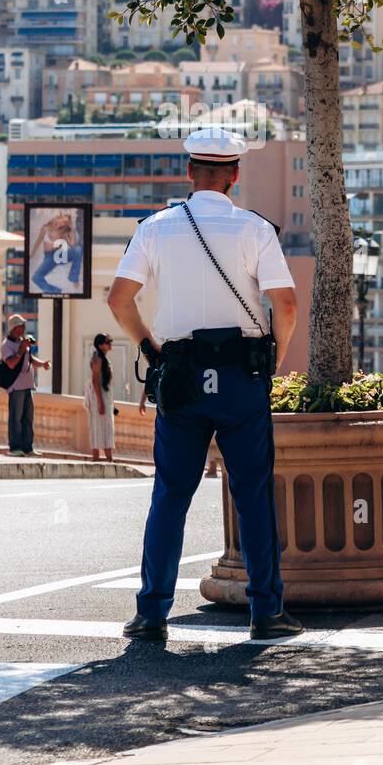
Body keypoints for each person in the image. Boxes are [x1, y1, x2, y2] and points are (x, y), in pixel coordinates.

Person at [108, 125, 301, 643]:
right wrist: (273, 361)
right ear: (234, 176)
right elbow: (284, 305)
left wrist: (152, 351)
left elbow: (119, 300)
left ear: (190, 172)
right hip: (243, 376)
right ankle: (266, 612)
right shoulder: (255, 230)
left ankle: (151, 613)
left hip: (182, 378)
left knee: (170, 496)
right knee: (253, 494)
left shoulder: (155, 228)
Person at [1, 314, 50, 455]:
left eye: (24, 326)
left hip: (28, 386)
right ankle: (15, 448)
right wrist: (22, 349)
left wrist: (43, 364)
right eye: (20, 326)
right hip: (16, 387)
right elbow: (11, 363)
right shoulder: (7, 345)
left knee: (28, 418)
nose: (23, 328)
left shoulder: (23, 342)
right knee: (16, 419)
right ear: (13, 328)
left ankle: (28, 447)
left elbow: (30, 359)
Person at [30, 210, 83, 294]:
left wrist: (71, 230)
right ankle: (57, 291)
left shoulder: (65, 231)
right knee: (36, 278)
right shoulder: (45, 228)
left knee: (78, 249)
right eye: (62, 220)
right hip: (50, 257)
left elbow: (73, 245)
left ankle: (73, 277)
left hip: (60, 255)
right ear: (58, 218)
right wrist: (32, 253)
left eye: (65, 223)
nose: (62, 224)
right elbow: (38, 241)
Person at [85, 332, 115, 462]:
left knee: (106, 426)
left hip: (103, 395)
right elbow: (95, 381)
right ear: (101, 345)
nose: (110, 345)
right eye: (107, 342)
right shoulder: (97, 358)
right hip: (98, 395)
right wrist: (100, 402)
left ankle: (107, 458)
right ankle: (99, 458)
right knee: (98, 425)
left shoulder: (103, 358)